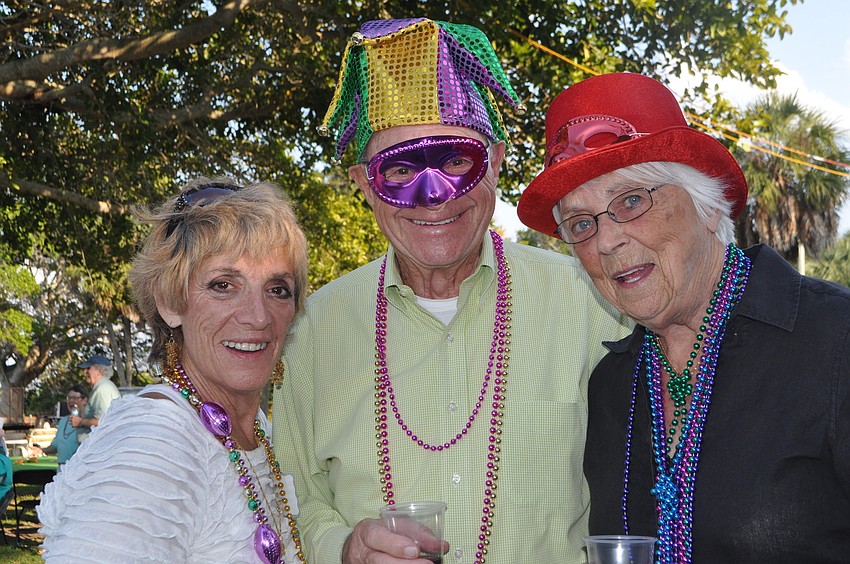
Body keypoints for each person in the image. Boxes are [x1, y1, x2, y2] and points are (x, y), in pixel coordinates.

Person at [274, 18, 631, 563]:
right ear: (364, 185)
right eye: (399, 170)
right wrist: (342, 549)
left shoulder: (593, 301)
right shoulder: (311, 329)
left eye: (458, 162)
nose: (433, 197)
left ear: (498, 163)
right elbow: (294, 494)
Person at [517, 72, 850, 562]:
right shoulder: (613, 385)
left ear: (708, 206)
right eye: (581, 224)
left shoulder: (834, 340)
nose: (606, 241)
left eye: (631, 200)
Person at [38, 178, 310, 563]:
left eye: (277, 289)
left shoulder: (251, 429)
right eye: (223, 285)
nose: (258, 316)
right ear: (169, 301)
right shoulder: (156, 438)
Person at [30, 385, 88, 467]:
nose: (71, 401)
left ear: (84, 400)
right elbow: (55, 446)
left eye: (75, 398)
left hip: (80, 467)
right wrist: (41, 450)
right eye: (69, 398)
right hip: (62, 468)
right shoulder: (63, 421)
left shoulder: (88, 422)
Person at [71, 354, 121, 442]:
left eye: (89, 368)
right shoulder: (103, 386)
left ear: (100, 371)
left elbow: (102, 422)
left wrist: (80, 422)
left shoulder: (102, 389)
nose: (85, 372)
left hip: (99, 447)